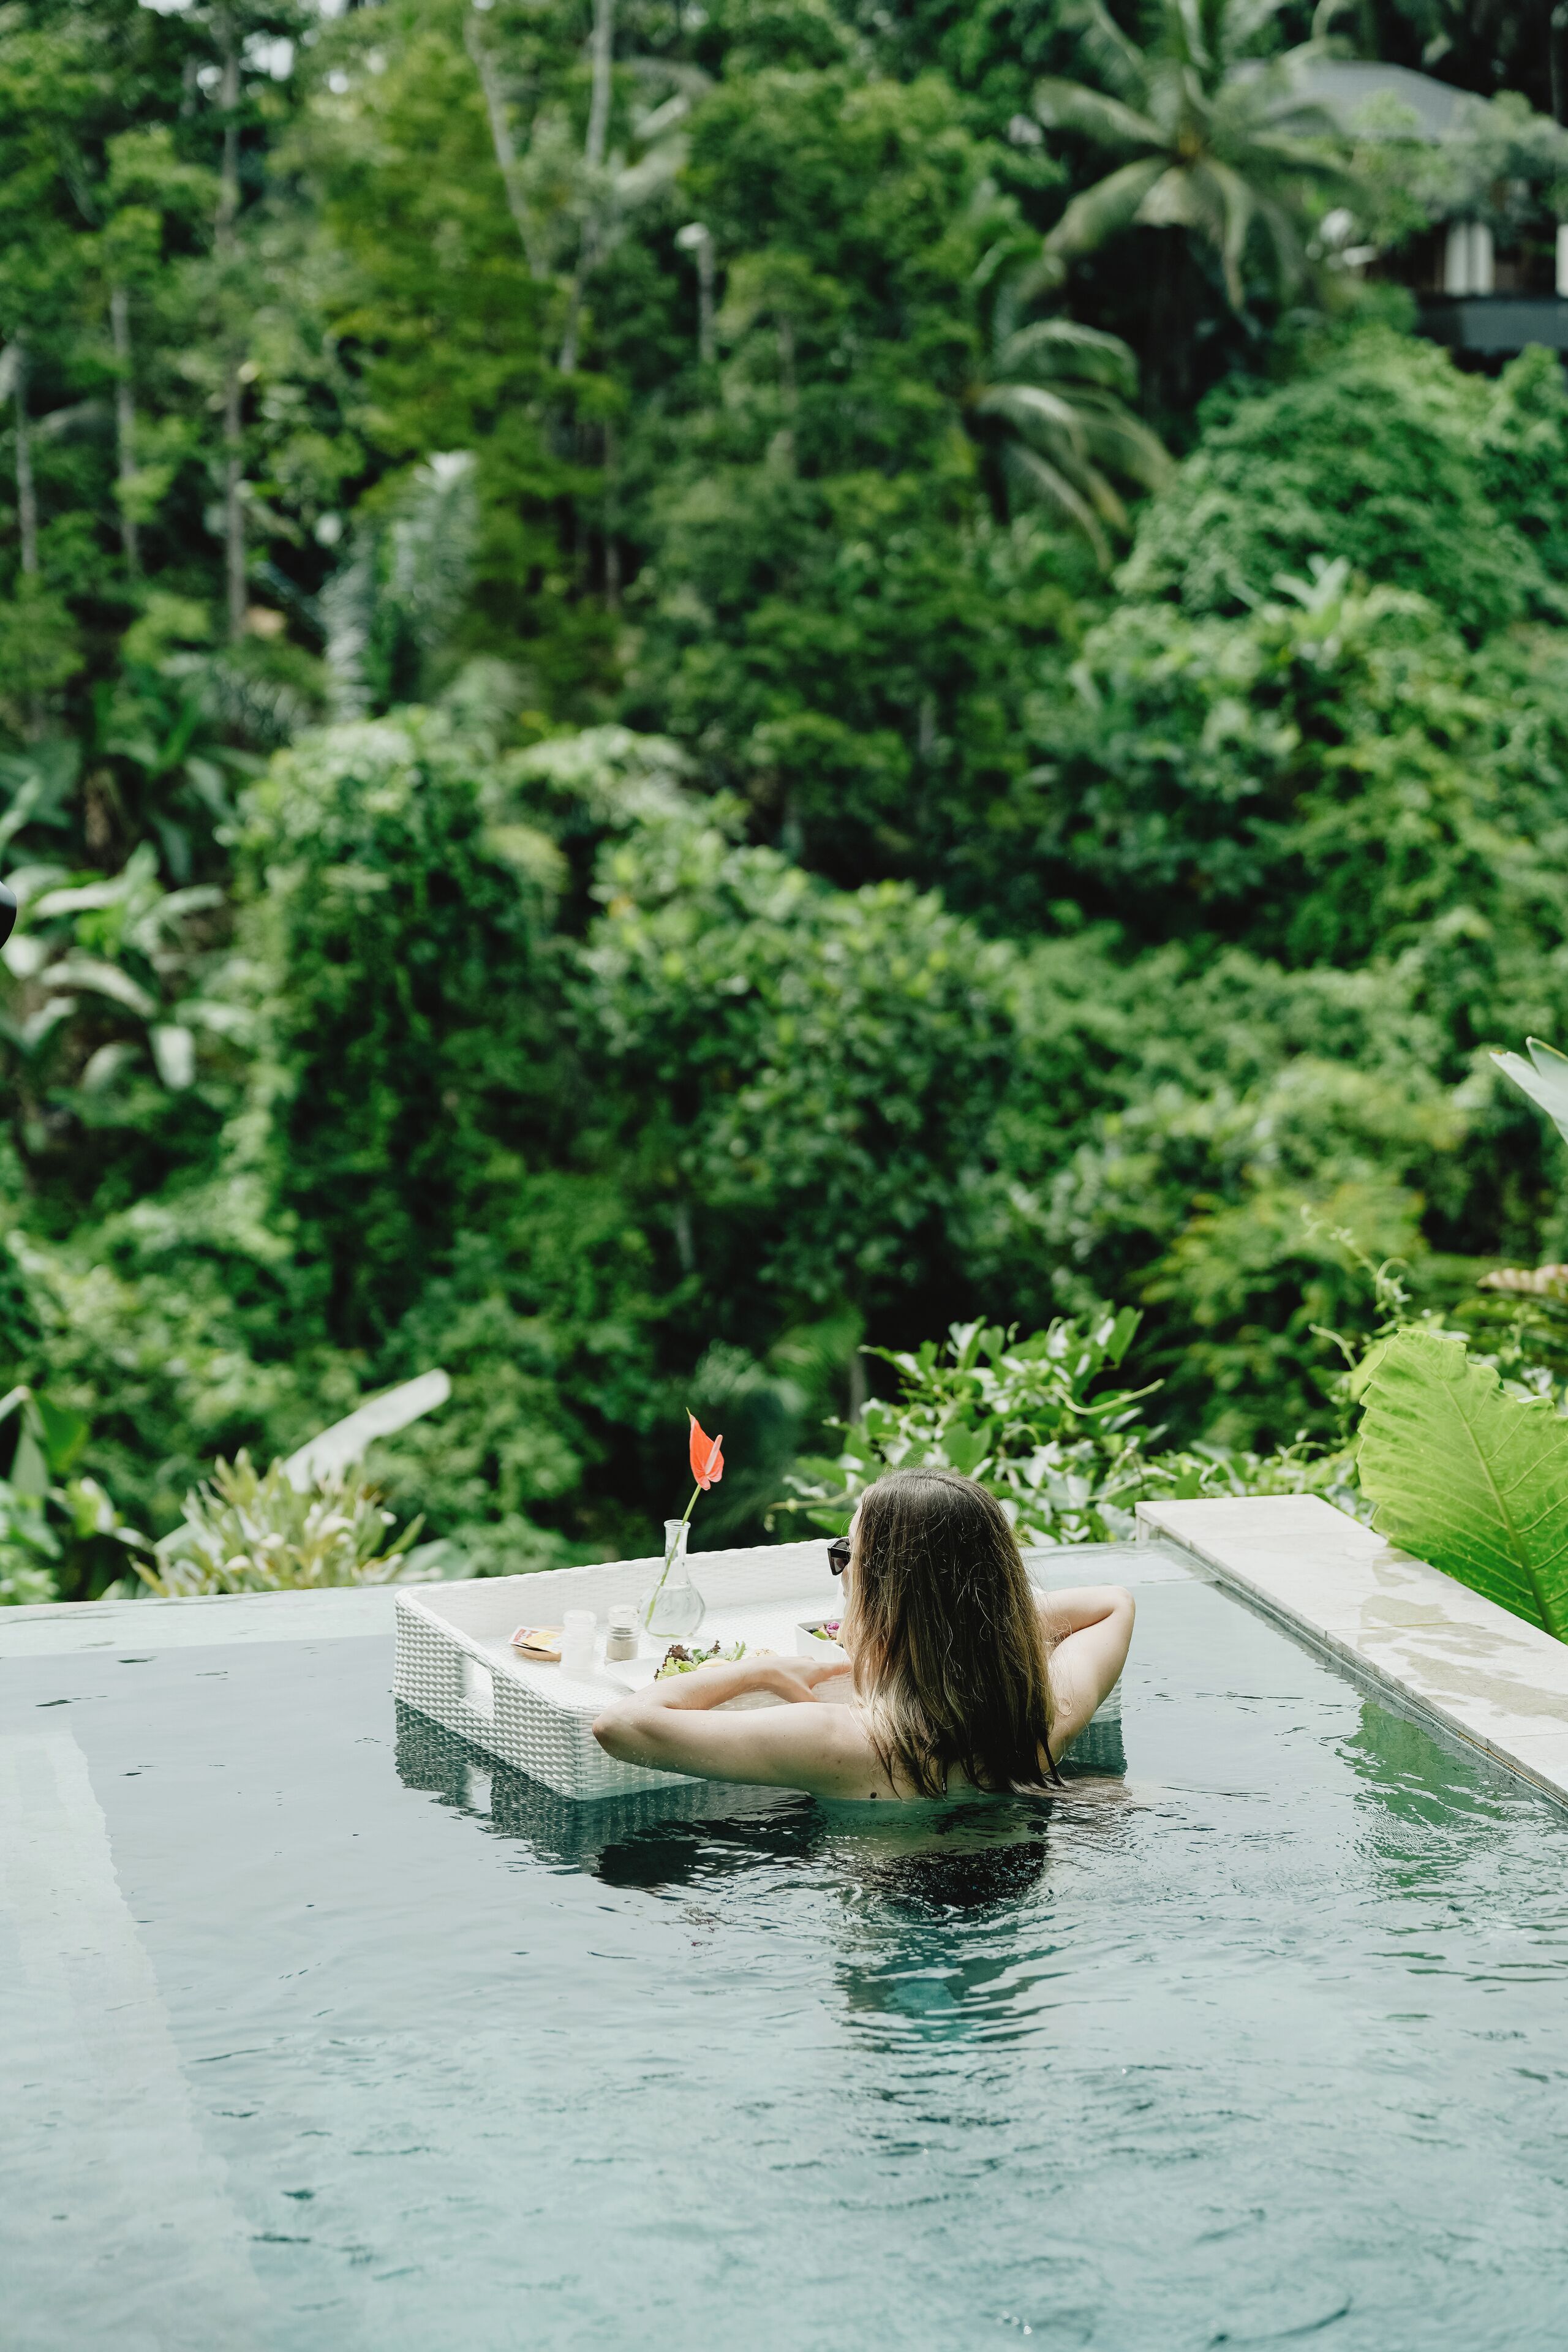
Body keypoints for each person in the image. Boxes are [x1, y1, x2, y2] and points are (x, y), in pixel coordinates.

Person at [592, 1466, 1134, 1801]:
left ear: (886, 1596)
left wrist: (757, 1670)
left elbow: (621, 1726)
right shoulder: (1041, 1720)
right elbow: (1114, 1603)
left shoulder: (836, 1741)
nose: (842, 1568)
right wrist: (983, 1627)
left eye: (846, 1554)